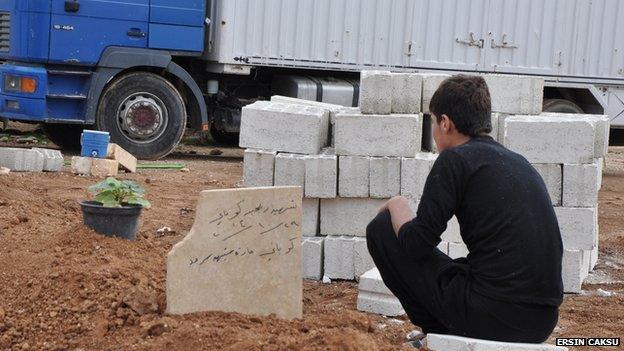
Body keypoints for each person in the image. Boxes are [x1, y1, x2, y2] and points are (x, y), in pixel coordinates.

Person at [366, 75, 563, 343]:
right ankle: (446, 331)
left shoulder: (455, 160)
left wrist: (396, 203)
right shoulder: (517, 162)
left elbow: (416, 244)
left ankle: (439, 333)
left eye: (433, 122)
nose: (434, 131)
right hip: (542, 322)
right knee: (462, 269)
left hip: (495, 316)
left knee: (381, 230)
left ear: (445, 123)